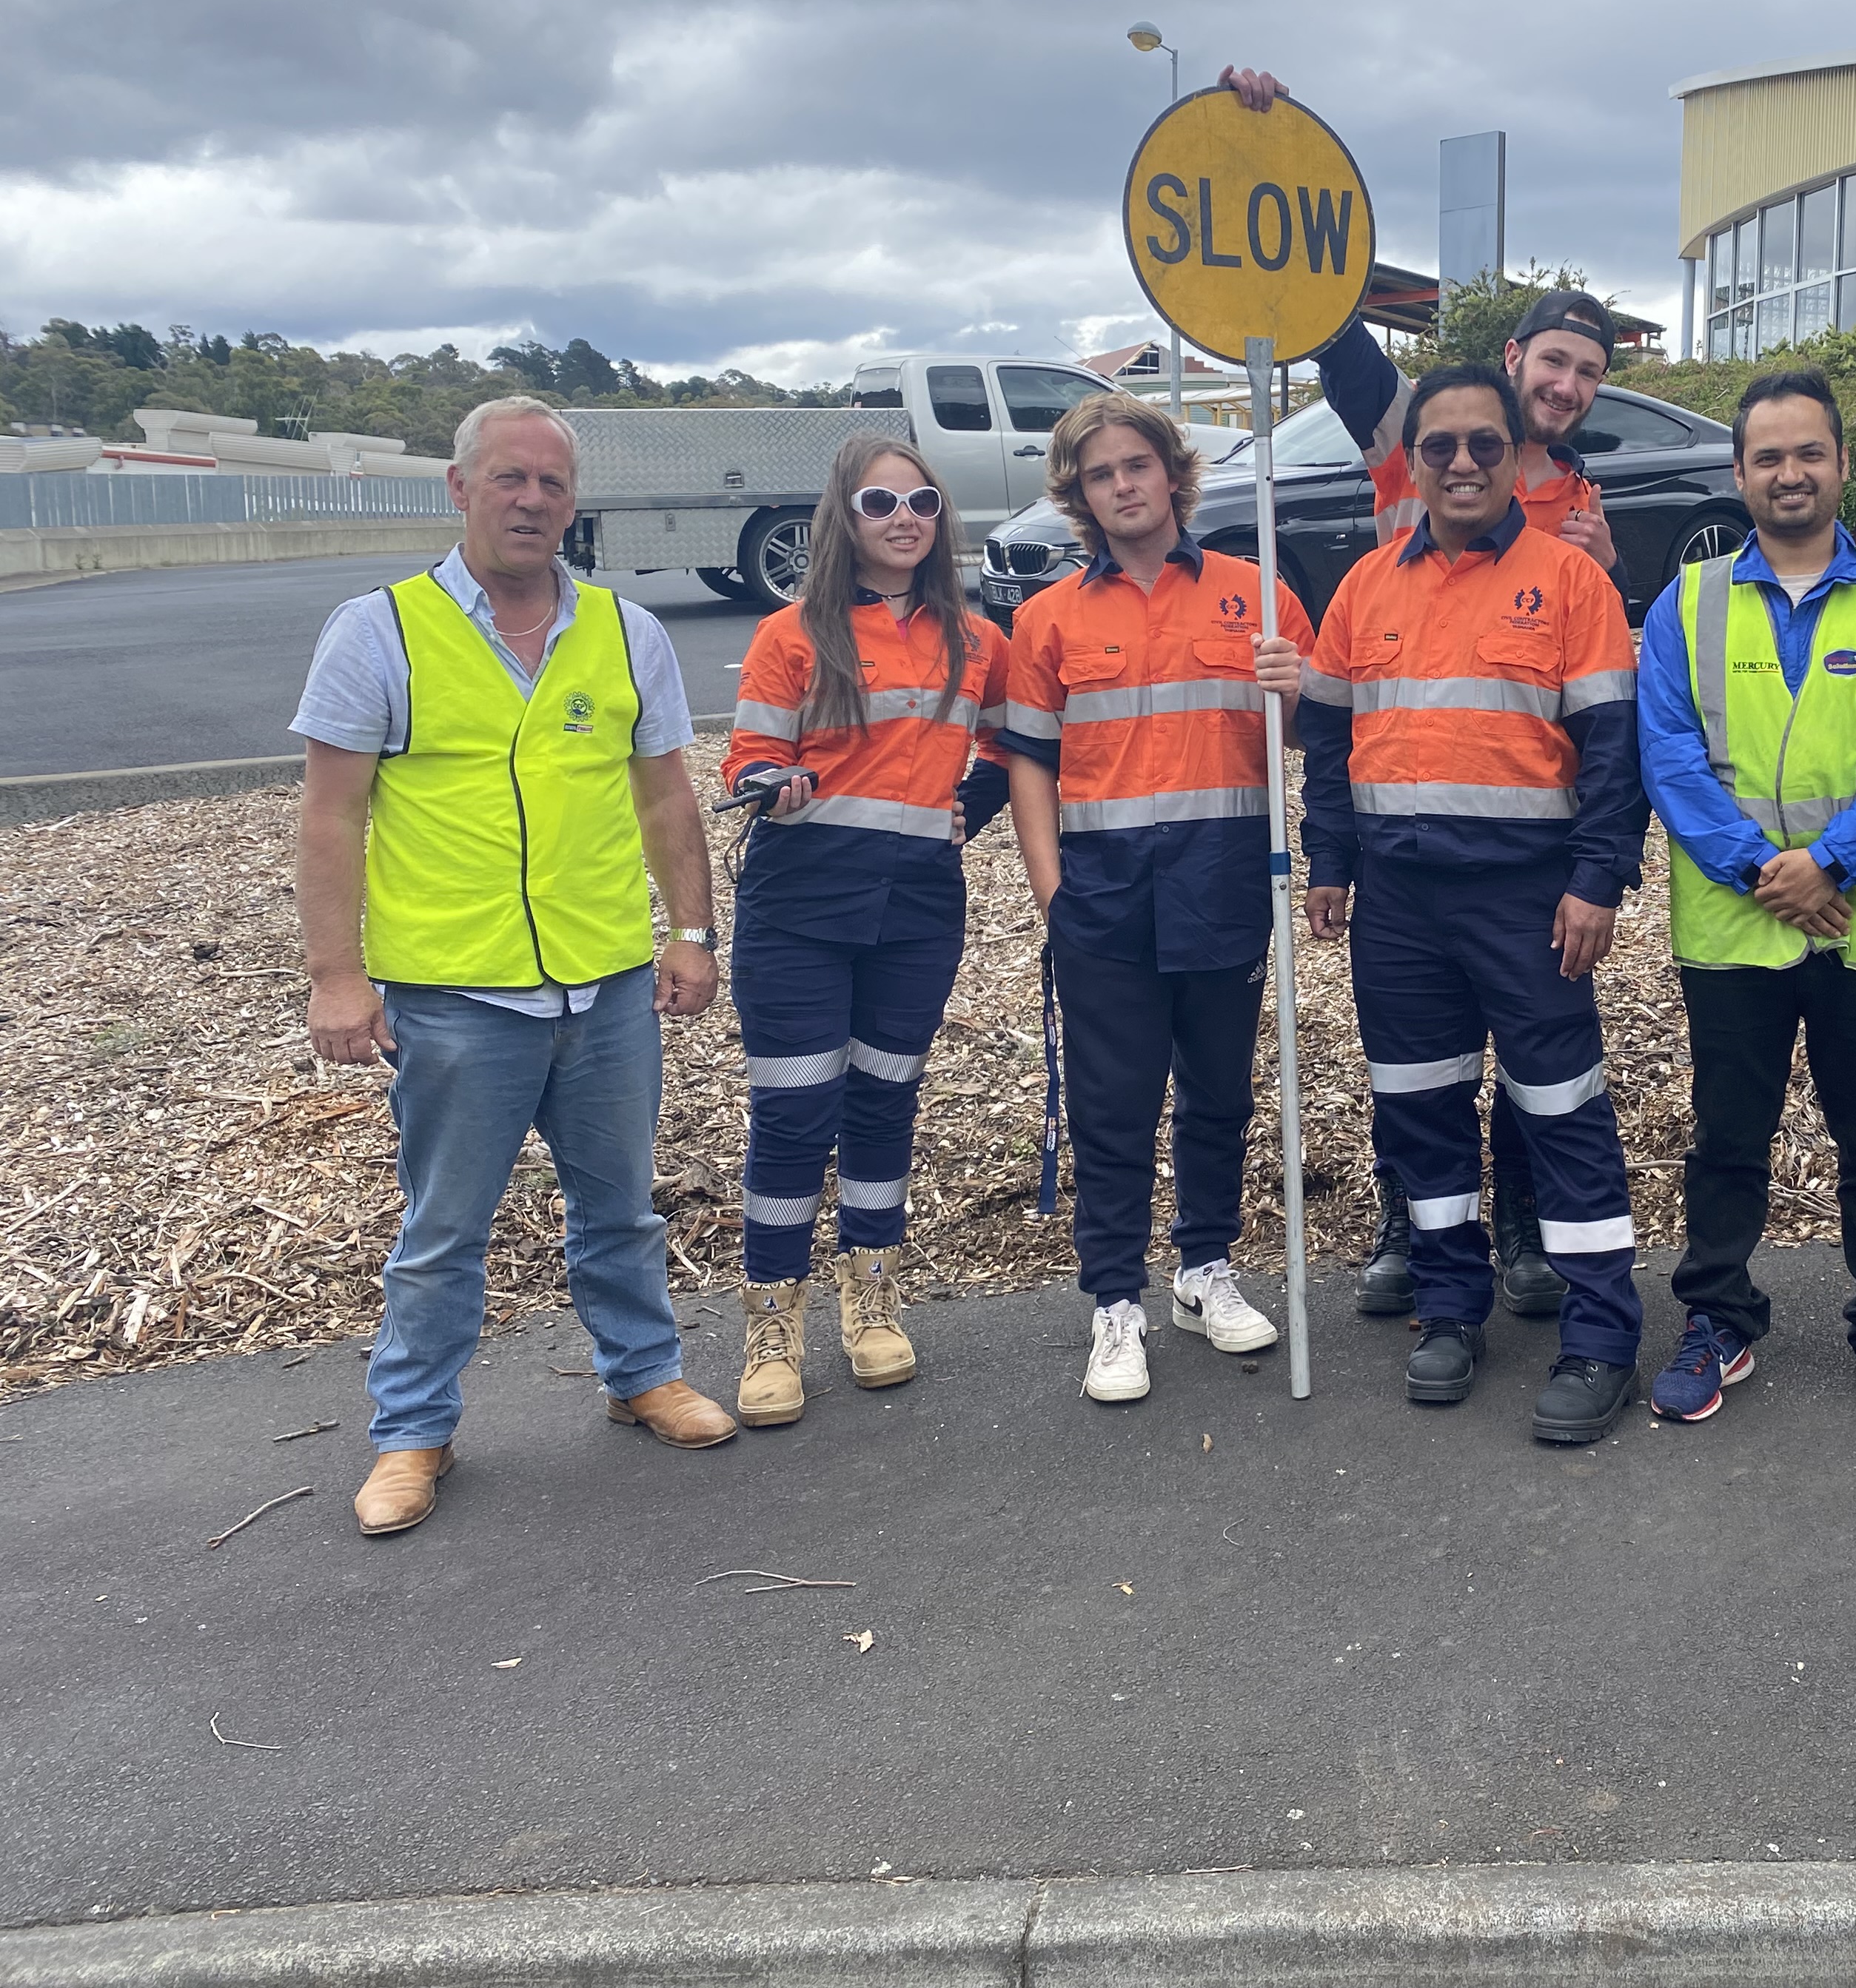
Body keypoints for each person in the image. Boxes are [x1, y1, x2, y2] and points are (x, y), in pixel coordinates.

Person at [1221, 61, 1621, 1327]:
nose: (1566, 387)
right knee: (1422, 1066)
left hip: (1520, 843)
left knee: (1538, 1070)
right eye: (1553, 362)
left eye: (1587, 374)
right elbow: (1340, 352)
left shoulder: (1584, 513)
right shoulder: (1424, 431)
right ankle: (1417, 1223)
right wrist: (1275, 161)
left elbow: (1606, 698)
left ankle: (1518, 1239)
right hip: (1404, 832)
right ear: (1512, 364)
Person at [294, 393, 734, 1537]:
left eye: (552, 483)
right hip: (456, 1001)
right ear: (460, 489)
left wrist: (690, 934)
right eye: (509, 479)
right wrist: (336, 977)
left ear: (573, 502)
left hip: (606, 988)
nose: (532, 500)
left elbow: (664, 796)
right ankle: (413, 1432)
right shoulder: (379, 631)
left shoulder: (626, 633)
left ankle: (643, 1375)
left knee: (620, 1208)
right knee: (443, 1231)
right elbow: (333, 818)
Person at [1298, 365, 1651, 1443]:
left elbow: (1612, 751)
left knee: (1562, 1114)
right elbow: (1326, 740)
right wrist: (1330, 862)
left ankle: (1602, 1336)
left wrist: (1599, 879)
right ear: (1414, 460)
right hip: (1400, 905)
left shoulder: (1570, 581)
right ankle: (1450, 1309)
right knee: (1421, 1114)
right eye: (1439, 446)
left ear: (1514, 456)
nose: (1459, 464)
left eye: (1483, 446)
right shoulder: (1366, 587)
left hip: (1527, 898)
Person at [1637, 369, 1856, 1431]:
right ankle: (1719, 1317)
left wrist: (1832, 864)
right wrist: (1761, 871)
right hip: (1737, 926)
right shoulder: (1683, 603)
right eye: (1768, 456)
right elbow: (1671, 759)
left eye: (1808, 452)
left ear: (1842, 464)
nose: (1789, 473)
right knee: (1728, 1135)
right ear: (1739, 474)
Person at [999, 393, 1308, 1403]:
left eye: (1137, 465)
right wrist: (1051, 890)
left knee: (1218, 1094)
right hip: (1104, 895)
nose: (1123, 485)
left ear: (1173, 473)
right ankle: (1115, 1302)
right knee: (1114, 1105)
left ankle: (1205, 1268)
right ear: (1078, 495)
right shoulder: (1046, 619)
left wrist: (1292, 687)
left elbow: (1307, 736)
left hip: (1222, 881)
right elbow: (1030, 766)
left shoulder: (1255, 591)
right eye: (1101, 474)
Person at [718, 433, 1011, 1428]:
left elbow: (1013, 742)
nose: (903, 521)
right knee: (797, 1117)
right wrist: (769, 785)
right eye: (880, 504)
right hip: (800, 904)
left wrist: (982, 795)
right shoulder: (793, 634)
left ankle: (872, 1300)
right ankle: (772, 1326)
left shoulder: (977, 639)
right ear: (845, 516)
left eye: (922, 502)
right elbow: (749, 754)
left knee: (886, 1108)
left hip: (918, 905)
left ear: (942, 518)